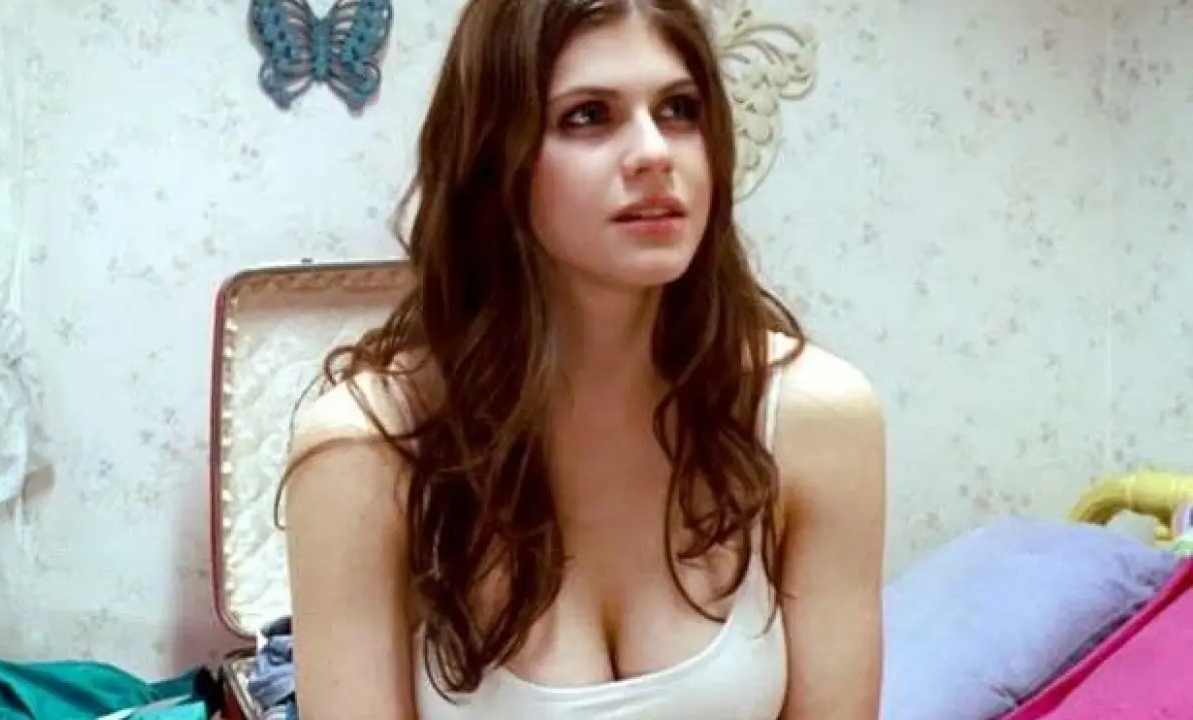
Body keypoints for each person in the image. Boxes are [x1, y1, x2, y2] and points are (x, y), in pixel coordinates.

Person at [279, 0, 886, 717]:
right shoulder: (362, 455)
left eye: (680, 110)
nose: (655, 152)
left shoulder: (817, 419)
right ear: (491, 157)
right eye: (588, 116)